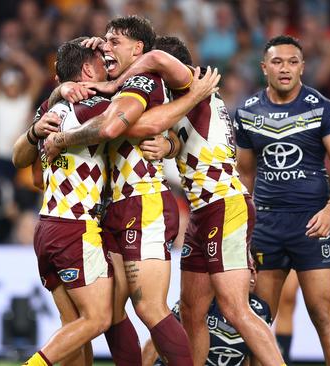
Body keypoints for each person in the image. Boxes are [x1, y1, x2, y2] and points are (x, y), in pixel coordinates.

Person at [42, 16, 211, 366]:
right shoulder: (120, 83)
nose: (105, 47)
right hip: (116, 207)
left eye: (114, 41)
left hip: (143, 200)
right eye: (104, 41)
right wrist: (64, 87)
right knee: (113, 311)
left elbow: (116, 126)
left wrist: (61, 139)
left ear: (138, 49)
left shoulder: (141, 78)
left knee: (150, 307)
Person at [119, 36, 285, 366]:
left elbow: (159, 59)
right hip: (203, 211)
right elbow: (186, 142)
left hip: (224, 204)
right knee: (193, 310)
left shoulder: (189, 84)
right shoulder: (188, 102)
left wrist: (121, 79)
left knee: (236, 309)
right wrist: (167, 148)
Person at [234, 35, 330, 366]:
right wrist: (243, 226)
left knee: (323, 313)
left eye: (291, 62)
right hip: (267, 225)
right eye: (277, 62)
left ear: (302, 67)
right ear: (264, 68)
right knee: (258, 320)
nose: (284, 68)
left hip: (311, 223)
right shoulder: (246, 112)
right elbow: (244, 176)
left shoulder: (323, 109)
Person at [13, 37, 114, 366]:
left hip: (47, 225)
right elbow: (124, 106)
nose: (108, 67)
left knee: (74, 328)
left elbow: (32, 175)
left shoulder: (50, 110)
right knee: (98, 318)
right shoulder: (95, 105)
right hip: (74, 226)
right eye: (102, 62)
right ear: (87, 69)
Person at [142, 272, 273, 366]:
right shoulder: (201, 301)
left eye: (255, 270)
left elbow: (249, 358)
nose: (252, 278)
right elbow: (156, 342)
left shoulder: (261, 310)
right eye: (248, 270)